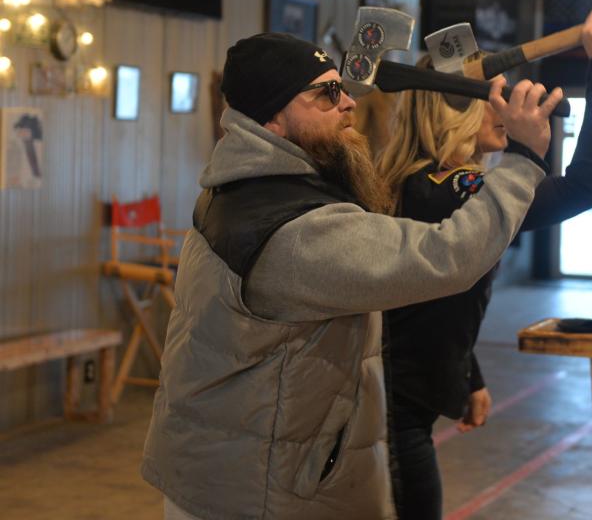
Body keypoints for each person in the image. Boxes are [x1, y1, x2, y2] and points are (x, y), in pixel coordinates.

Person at [139, 31, 564, 520]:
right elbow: (446, 257)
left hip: (229, 471)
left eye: (342, 87)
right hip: (259, 493)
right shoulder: (295, 228)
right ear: (273, 118)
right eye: (325, 93)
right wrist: (525, 161)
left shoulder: (241, 189)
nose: (348, 105)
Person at [376, 4, 592, 520]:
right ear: (456, 110)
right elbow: (586, 186)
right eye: (488, 97)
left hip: (406, 395)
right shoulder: (444, 189)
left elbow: (438, 290)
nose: (501, 106)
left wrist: (467, 374)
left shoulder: (428, 185)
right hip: (395, 406)